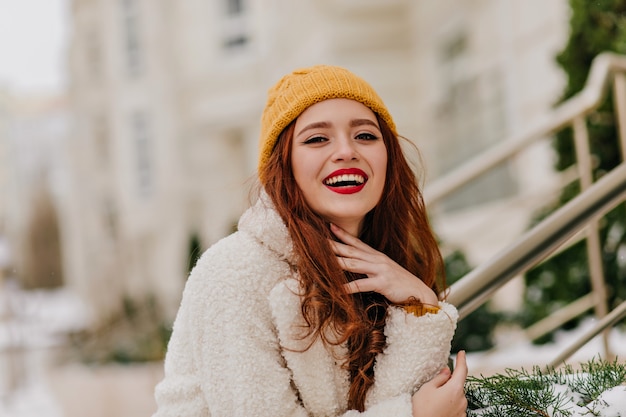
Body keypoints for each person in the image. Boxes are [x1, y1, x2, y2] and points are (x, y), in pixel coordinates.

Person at [152, 65, 468, 416]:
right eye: (317, 139)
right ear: (282, 165)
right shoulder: (234, 272)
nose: (346, 151)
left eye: (365, 135)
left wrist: (418, 306)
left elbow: (393, 401)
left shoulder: (386, 269)